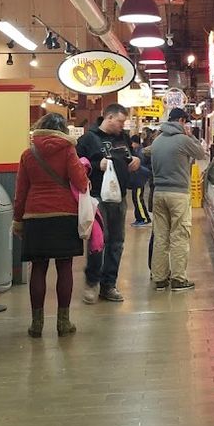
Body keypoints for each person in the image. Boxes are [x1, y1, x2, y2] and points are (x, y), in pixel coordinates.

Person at [13, 112, 89, 338]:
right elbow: (81, 182)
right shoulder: (68, 150)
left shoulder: (28, 154)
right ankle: (63, 323)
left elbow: (21, 191)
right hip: (64, 214)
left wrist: (18, 220)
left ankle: (37, 324)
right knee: (64, 268)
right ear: (63, 129)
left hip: (35, 216)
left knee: (38, 268)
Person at [77, 103, 140, 304]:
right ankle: (92, 282)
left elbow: (128, 158)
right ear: (109, 118)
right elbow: (76, 166)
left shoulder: (123, 138)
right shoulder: (88, 139)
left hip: (119, 197)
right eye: (120, 121)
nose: (122, 125)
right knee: (98, 242)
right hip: (97, 197)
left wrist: (135, 162)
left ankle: (109, 285)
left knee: (117, 242)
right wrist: (96, 165)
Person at [150, 107, 206, 292]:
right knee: (179, 236)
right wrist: (191, 135)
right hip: (178, 194)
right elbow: (200, 153)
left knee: (160, 236)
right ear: (182, 121)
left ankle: (159, 278)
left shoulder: (157, 141)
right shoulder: (183, 140)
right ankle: (178, 279)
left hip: (158, 193)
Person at [128, 135, 151, 227]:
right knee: (136, 199)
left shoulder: (140, 153)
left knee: (138, 199)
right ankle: (139, 218)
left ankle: (144, 218)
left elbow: (140, 167)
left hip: (139, 179)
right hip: (137, 180)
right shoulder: (138, 151)